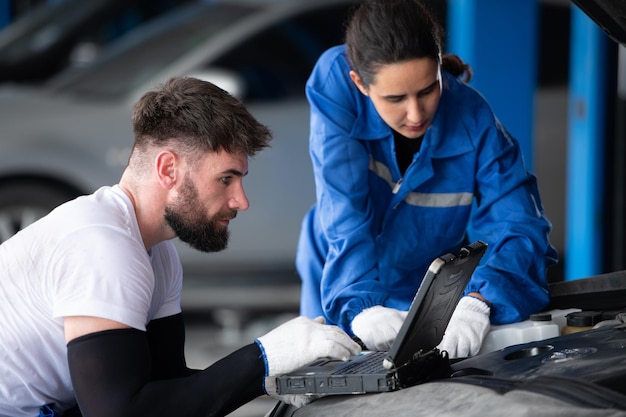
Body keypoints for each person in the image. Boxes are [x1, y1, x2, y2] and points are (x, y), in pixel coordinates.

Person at [0, 76, 361, 417]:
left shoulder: (158, 253)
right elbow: (118, 413)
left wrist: (267, 378)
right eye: (226, 179)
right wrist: (264, 357)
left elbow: (166, 389)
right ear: (168, 169)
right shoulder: (101, 244)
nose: (240, 200)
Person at [295, 0, 559, 358]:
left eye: (427, 90)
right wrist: (359, 306)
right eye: (395, 98)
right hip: (339, 267)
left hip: (425, 282)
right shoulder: (336, 85)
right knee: (328, 377)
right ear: (360, 83)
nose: (416, 113)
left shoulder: (473, 119)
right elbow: (344, 206)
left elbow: (521, 225)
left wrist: (482, 299)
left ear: (438, 66)